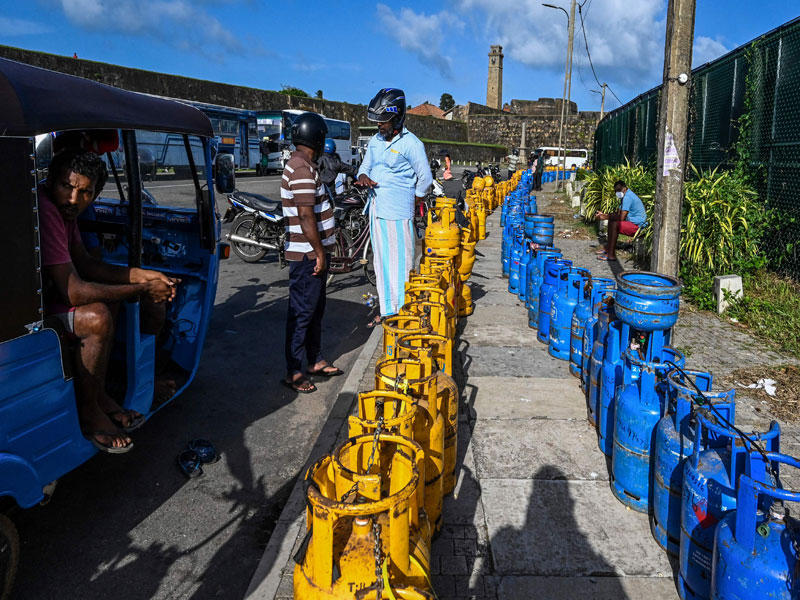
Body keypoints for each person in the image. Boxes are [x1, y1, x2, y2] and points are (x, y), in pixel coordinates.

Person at [39, 149, 179, 453]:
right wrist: (142, 291)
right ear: (51, 181)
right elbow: (73, 292)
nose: (74, 198)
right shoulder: (47, 208)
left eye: (85, 192)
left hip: (47, 296)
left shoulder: (66, 212)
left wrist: (143, 276)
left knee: (110, 298)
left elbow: (87, 265)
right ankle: (89, 414)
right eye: (68, 186)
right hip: (31, 308)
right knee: (98, 317)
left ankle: (100, 394)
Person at [356, 88, 433, 325]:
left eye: (383, 121)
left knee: (401, 264)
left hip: (399, 213)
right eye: (377, 121)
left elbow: (426, 179)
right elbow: (364, 167)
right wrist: (363, 177)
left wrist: (414, 200)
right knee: (380, 263)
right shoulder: (376, 143)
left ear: (397, 117)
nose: (379, 126)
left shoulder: (411, 144)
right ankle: (388, 308)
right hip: (377, 211)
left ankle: (403, 311)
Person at [281, 113, 343, 393]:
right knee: (302, 313)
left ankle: (314, 360)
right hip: (306, 256)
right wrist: (319, 252)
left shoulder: (304, 165)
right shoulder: (301, 169)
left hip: (311, 254)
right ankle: (294, 371)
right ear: (317, 139)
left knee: (315, 311)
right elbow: (306, 216)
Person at [595, 180, 648, 262]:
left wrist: (605, 217)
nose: (617, 192)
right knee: (611, 221)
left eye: (619, 190)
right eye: (616, 190)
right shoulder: (625, 196)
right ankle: (608, 249)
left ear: (624, 188)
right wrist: (604, 215)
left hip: (639, 227)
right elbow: (618, 213)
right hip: (632, 223)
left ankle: (611, 255)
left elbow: (621, 218)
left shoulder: (628, 197)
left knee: (614, 224)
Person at [317, 138, 356, 202]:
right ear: (333, 148)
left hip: (318, 192)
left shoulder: (316, 158)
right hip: (330, 193)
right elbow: (349, 169)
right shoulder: (335, 161)